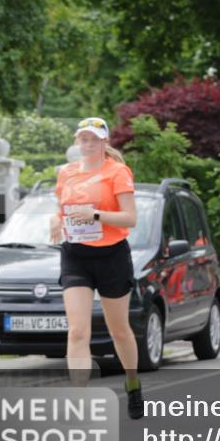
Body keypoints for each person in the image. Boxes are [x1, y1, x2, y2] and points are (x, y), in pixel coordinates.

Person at [50, 117, 142, 418]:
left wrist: (96, 215)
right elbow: (61, 209)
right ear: (78, 142)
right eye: (84, 139)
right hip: (75, 255)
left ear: (104, 142)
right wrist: (55, 220)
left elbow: (130, 218)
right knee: (77, 332)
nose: (88, 144)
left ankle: (132, 383)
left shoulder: (117, 172)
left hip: (111, 256)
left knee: (119, 331)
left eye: (94, 139)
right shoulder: (66, 173)